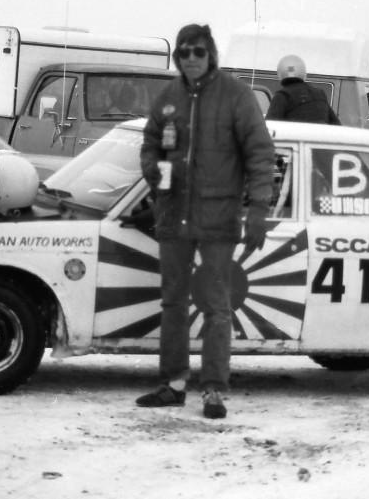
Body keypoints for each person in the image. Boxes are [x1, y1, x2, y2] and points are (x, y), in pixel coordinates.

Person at [137, 23, 275, 419]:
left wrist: (258, 211)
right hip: (173, 215)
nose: (191, 59)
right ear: (177, 58)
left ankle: (213, 389)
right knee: (173, 303)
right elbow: (149, 145)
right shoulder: (167, 97)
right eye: (184, 53)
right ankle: (173, 384)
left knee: (216, 306)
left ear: (211, 53)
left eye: (198, 51)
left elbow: (261, 155)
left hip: (218, 218)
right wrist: (156, 172)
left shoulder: (236, 96)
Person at [265, 54, 340, 124]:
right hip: (320, 138)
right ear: (303, 72)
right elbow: (336, 125)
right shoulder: (320, 94)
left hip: (293, 138)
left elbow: (269, 127)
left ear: (280, 73)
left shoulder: (282, 96)